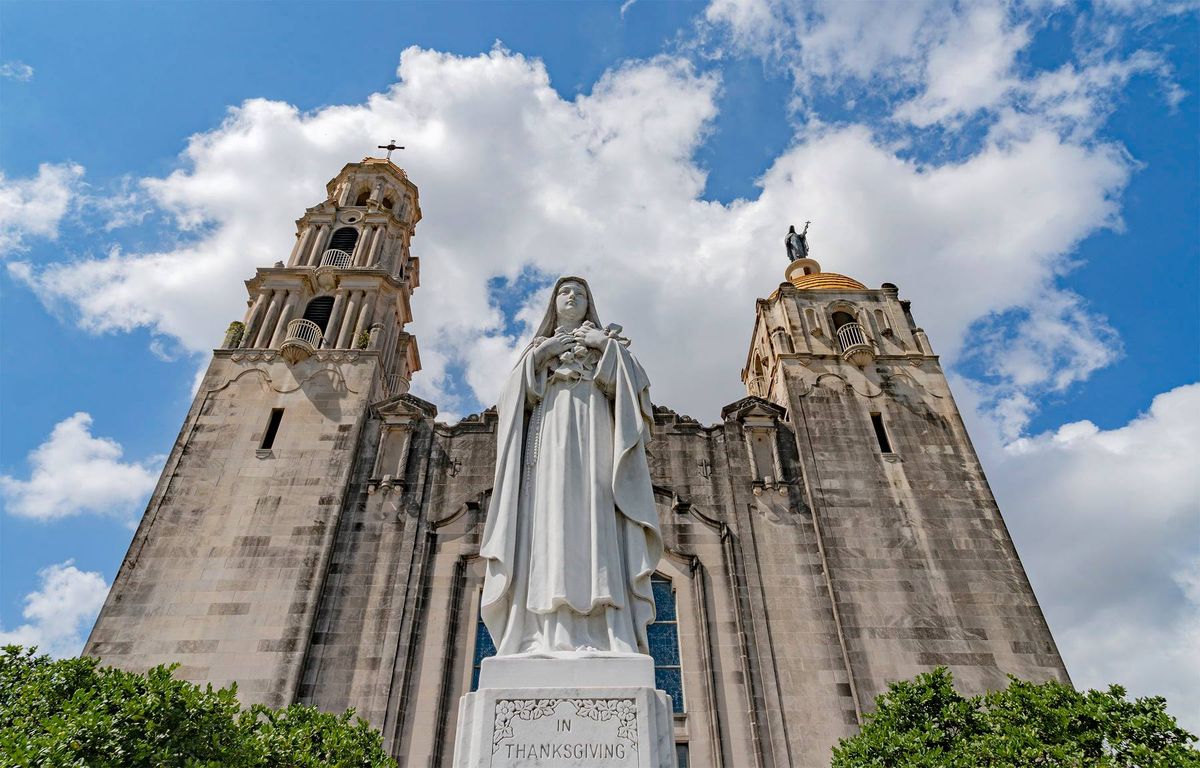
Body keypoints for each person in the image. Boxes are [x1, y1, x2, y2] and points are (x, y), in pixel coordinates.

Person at [479, 276, 663, 656]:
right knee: (550, 525)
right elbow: (510, 400)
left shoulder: (606, 343)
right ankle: (548, 631)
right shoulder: (536, 347)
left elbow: (636, 393)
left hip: (597, 441)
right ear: (553, 303)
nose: (572, 298)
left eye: (580, 293)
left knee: (597, 525)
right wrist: (543, 354)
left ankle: (608, 631)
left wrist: (604, 349)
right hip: (548, 447)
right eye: (565, 292)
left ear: (589, 303)